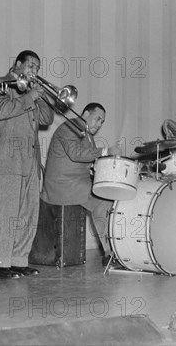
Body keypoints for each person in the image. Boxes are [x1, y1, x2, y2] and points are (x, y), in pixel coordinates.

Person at [0, 50, 54, 279]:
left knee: (27, 213)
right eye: (31, 66)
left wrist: (42, 96)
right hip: (8, 159)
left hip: (30, 160)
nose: (34, 71)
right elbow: (2, 110)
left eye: (37, 68)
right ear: (17, 65)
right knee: (8, 213)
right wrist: (30, 97)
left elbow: (46, 119)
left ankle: (18, 260)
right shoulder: (1, 83)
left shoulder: (30, 91)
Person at [41, 103, 121, 265]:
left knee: (108, 196)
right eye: (97, 119)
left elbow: (85, 160)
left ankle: (114, 250)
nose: (99, 124)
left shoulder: (86, 134)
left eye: (102, 122)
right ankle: (109, 253)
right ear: (85, 114)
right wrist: (105, 151)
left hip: (76, 181)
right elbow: (76, 153)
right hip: (62, 184)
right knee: (103, 201)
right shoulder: (69, 127)